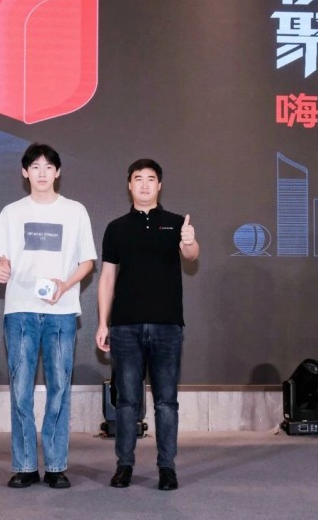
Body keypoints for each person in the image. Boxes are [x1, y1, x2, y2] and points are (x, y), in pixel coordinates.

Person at [0, 143, 96, 489]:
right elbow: (2, 259)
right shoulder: (11, 212)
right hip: (20, 310)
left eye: (48, 167)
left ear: (58, 172)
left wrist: (65, 285)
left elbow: (87, 262)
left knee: (59, 389)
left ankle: (55, 465)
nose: (42, 173)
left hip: (61, 312)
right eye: (35, 167)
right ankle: (24, 465)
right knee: (20, 389)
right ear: (25, 172)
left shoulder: (75, 211)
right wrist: (2, 268)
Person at [95, 158, 199, 491]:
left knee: (166, 401)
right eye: (138, 178)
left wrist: (189, 241)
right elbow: (107, 277)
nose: (144, 184)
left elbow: (192, 255)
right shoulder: (116, 228)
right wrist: (102, 322)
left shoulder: (176, 223)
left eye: (150, 179)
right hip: (125, 326)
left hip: (168, 326)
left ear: (159, 185)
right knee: (127, 401)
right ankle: (124, 465)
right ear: (129, 185)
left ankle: (167, 468)